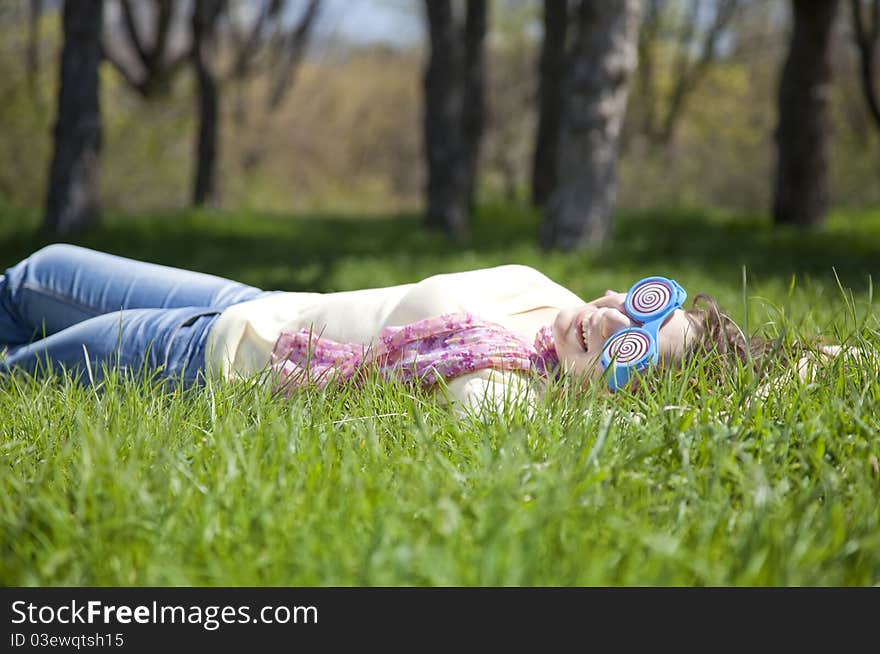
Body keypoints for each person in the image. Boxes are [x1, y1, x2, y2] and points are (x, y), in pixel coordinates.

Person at [0, 243, 803, 414]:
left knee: (15, 374)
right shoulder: (551, 298)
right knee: (30, 276)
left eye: (632, 351)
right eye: (643, 305)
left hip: (203, 356)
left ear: (615, 393)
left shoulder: (508, 387)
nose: (614, 323)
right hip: (252, 294)